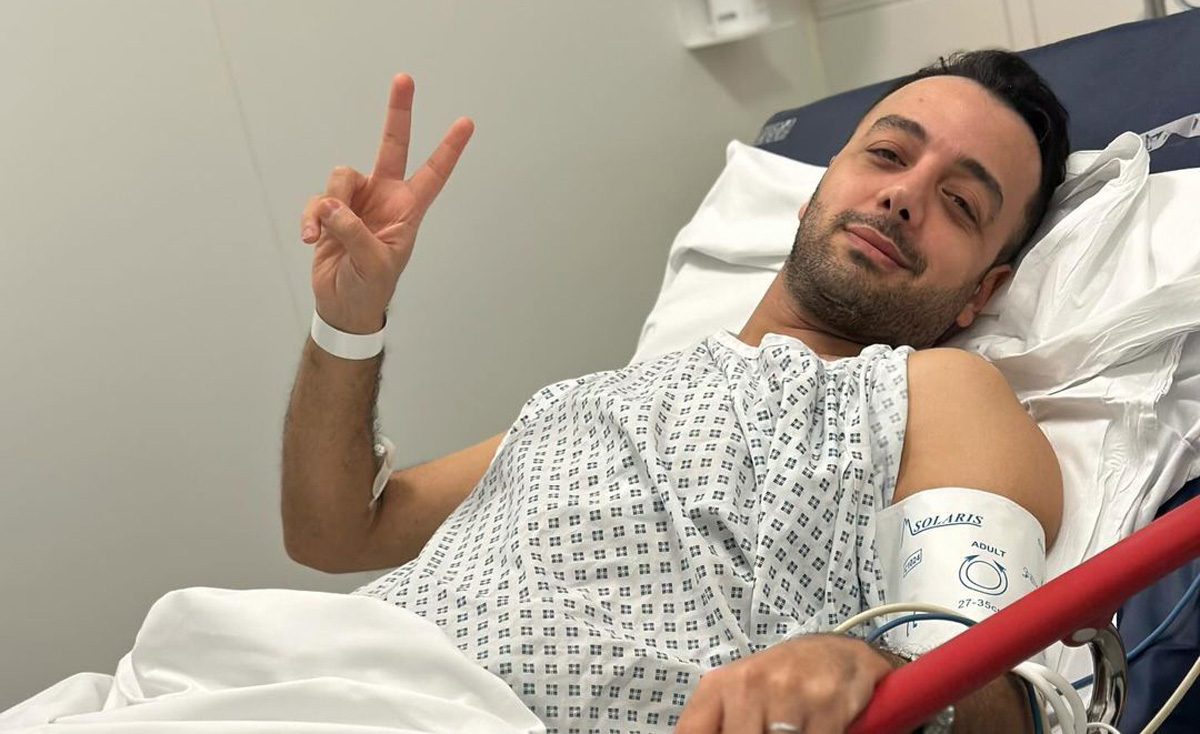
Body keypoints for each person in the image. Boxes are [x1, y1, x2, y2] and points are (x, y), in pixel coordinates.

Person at [282, 50, 1070, 734]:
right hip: (320, 679)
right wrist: (349, 327)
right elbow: (335, 531)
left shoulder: (931, 392)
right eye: (889, 155)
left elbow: (989, 685)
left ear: (982, 291)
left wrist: (861, 663)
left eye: (961, 204)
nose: (905, 197)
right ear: (816, 188)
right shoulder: (596, 401)